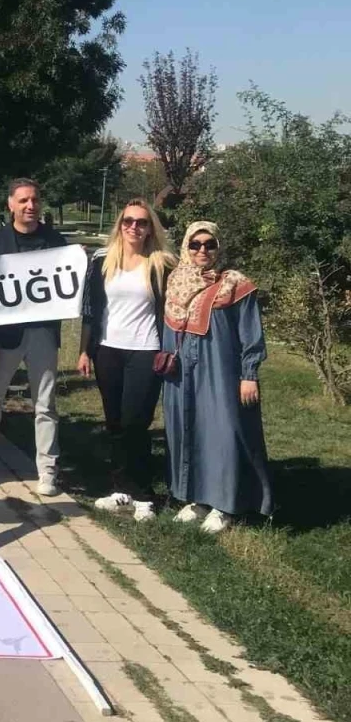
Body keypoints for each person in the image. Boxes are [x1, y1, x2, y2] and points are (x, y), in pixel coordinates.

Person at [161, 221, 271, 534]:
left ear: (219, 247)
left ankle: (225, 505)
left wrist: (249, 374)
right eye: (195, 244)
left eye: (210, 244)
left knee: (223, 433)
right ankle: (196, 498)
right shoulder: (175, 280)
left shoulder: (235, 283)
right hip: (182, 374)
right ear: (186, 246)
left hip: (221, 371)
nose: (202, 250)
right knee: (189, 429)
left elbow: (250, 332)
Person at [79, 200, 175, 521]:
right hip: (107, 350)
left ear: (150, 228)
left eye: (142, 222)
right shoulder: (102, 259)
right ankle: (120, 489)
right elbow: (90, 309)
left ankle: (144, 495)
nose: (134, 227)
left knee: (136, 423)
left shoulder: (162, 264)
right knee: (115, 423)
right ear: (120, 224)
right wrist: (84, 350)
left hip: (146, 350)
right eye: (128, 221)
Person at [0, 178, 69, 495]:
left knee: (45, 404)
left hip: (42, 332)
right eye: (24, 200)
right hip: (4, 335)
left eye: (35, 200)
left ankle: (48, 470)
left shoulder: (56, 241)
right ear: (10, 204)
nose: (31, 205)